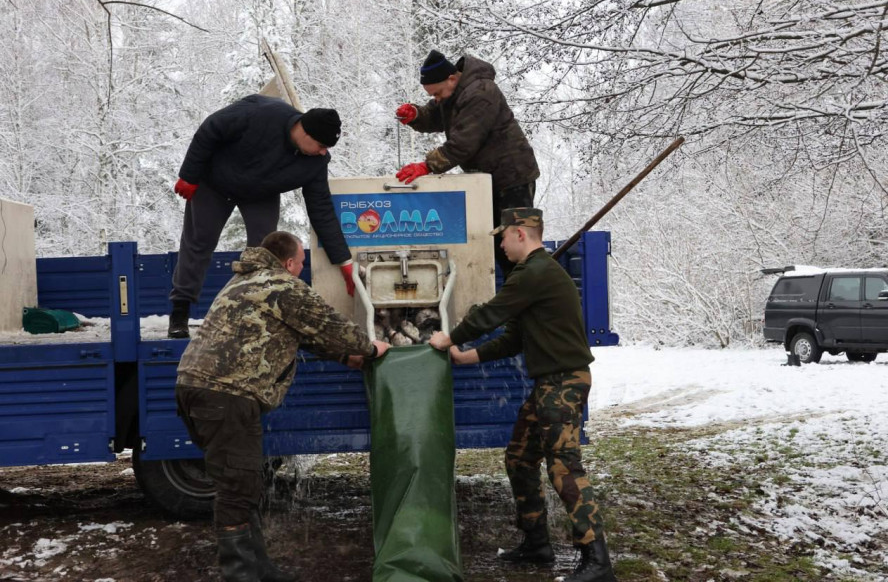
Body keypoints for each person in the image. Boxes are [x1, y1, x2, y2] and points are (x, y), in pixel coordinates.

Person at [175, 231, 390, 582]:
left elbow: (299, 333)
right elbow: (327, 323)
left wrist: (342, 356)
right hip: (227, 394)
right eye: (301, 264)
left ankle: (260, 570)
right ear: (289, 263)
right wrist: (368, 348)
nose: (301, 271)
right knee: (236, 487)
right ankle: (241, 574)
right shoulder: (283, 285)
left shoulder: (244, 281)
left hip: (196, 389)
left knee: (244, 481)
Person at [429, 208, 617, 582]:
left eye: (503, 237)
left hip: (562, 383)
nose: (500, 244)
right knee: (519, 457)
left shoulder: (535, 272)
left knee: (564, 468)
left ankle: (597, 561)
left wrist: (448, 337)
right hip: (550, 383)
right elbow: (514, 336)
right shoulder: (534, 276)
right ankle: (536, 544)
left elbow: (492, 314)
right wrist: (466, 357)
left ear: (520, 234)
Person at [168, 94, 356, 339]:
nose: (324, 153)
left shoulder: (315, 163)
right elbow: (210, 129)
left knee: (266, 250)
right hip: (213, 182)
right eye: (322, 146)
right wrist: (189, 175)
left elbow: (321, 210)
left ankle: (250, 310)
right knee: (199, 240)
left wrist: (344, 261)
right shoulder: (262, 114)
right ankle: (180, 312)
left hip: (260, 193)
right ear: (306, 134)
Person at [394, 49, 540, 276]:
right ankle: (517, 298)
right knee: (499, 246)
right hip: (489, 181)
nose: (436, 99)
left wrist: (427, 166)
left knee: (517, 245)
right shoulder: (454, 93)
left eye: (437, 93)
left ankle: (530, 298)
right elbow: (435, 114)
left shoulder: (481, 92)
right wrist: (416, 115)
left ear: (452, 78)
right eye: (432, 96)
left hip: (513, 179)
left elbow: (463, 143)